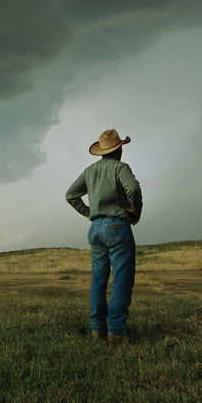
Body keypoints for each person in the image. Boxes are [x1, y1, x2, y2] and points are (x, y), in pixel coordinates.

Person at [65, 129, 143, 344]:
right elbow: (133, 188)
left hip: (95, 229)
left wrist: (90, 213)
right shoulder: (120, 168)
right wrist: (136, 210)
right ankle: (116, 333)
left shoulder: (90, 170)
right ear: (119, 149)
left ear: (102, 151)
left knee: (99, 280)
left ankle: (97, 330)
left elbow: (70, 195)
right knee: (121, 279)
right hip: (117, 226)